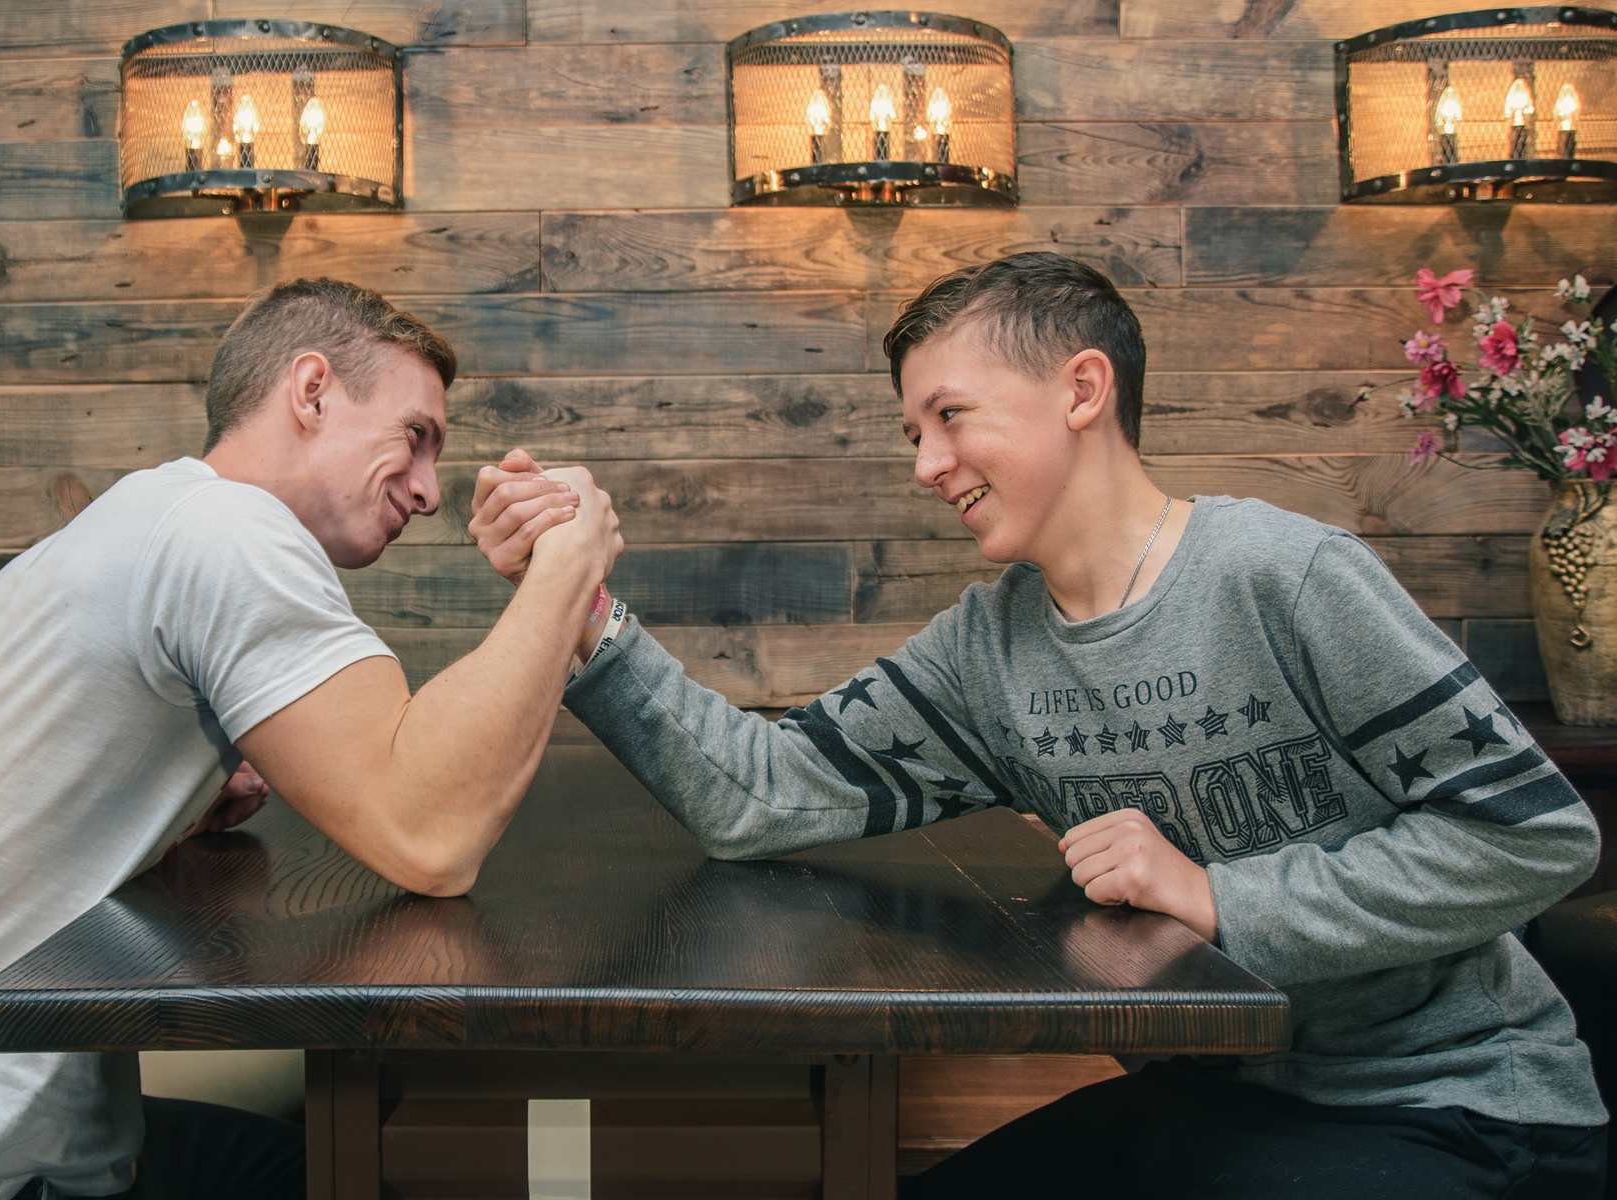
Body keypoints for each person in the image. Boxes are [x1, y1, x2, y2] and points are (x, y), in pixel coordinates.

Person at [469, 252, 1610, 1197]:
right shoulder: (988, 649)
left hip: (1459, 1109)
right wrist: (579, 609)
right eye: (914, 433)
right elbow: (755, 795)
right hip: (1215, 1093)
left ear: (1082, 389)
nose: (928, 464)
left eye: (949, 416)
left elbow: (1534, 837)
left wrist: (1220, 898)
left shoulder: (1284, 574)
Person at [0, 278, 622, 1200]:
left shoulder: (116, 522)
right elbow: (430, 839)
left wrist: (158, 799)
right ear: (312, 391)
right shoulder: (228, 532)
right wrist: (566, 572)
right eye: (415, 436)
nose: (430, 491)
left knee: (336, 1170)